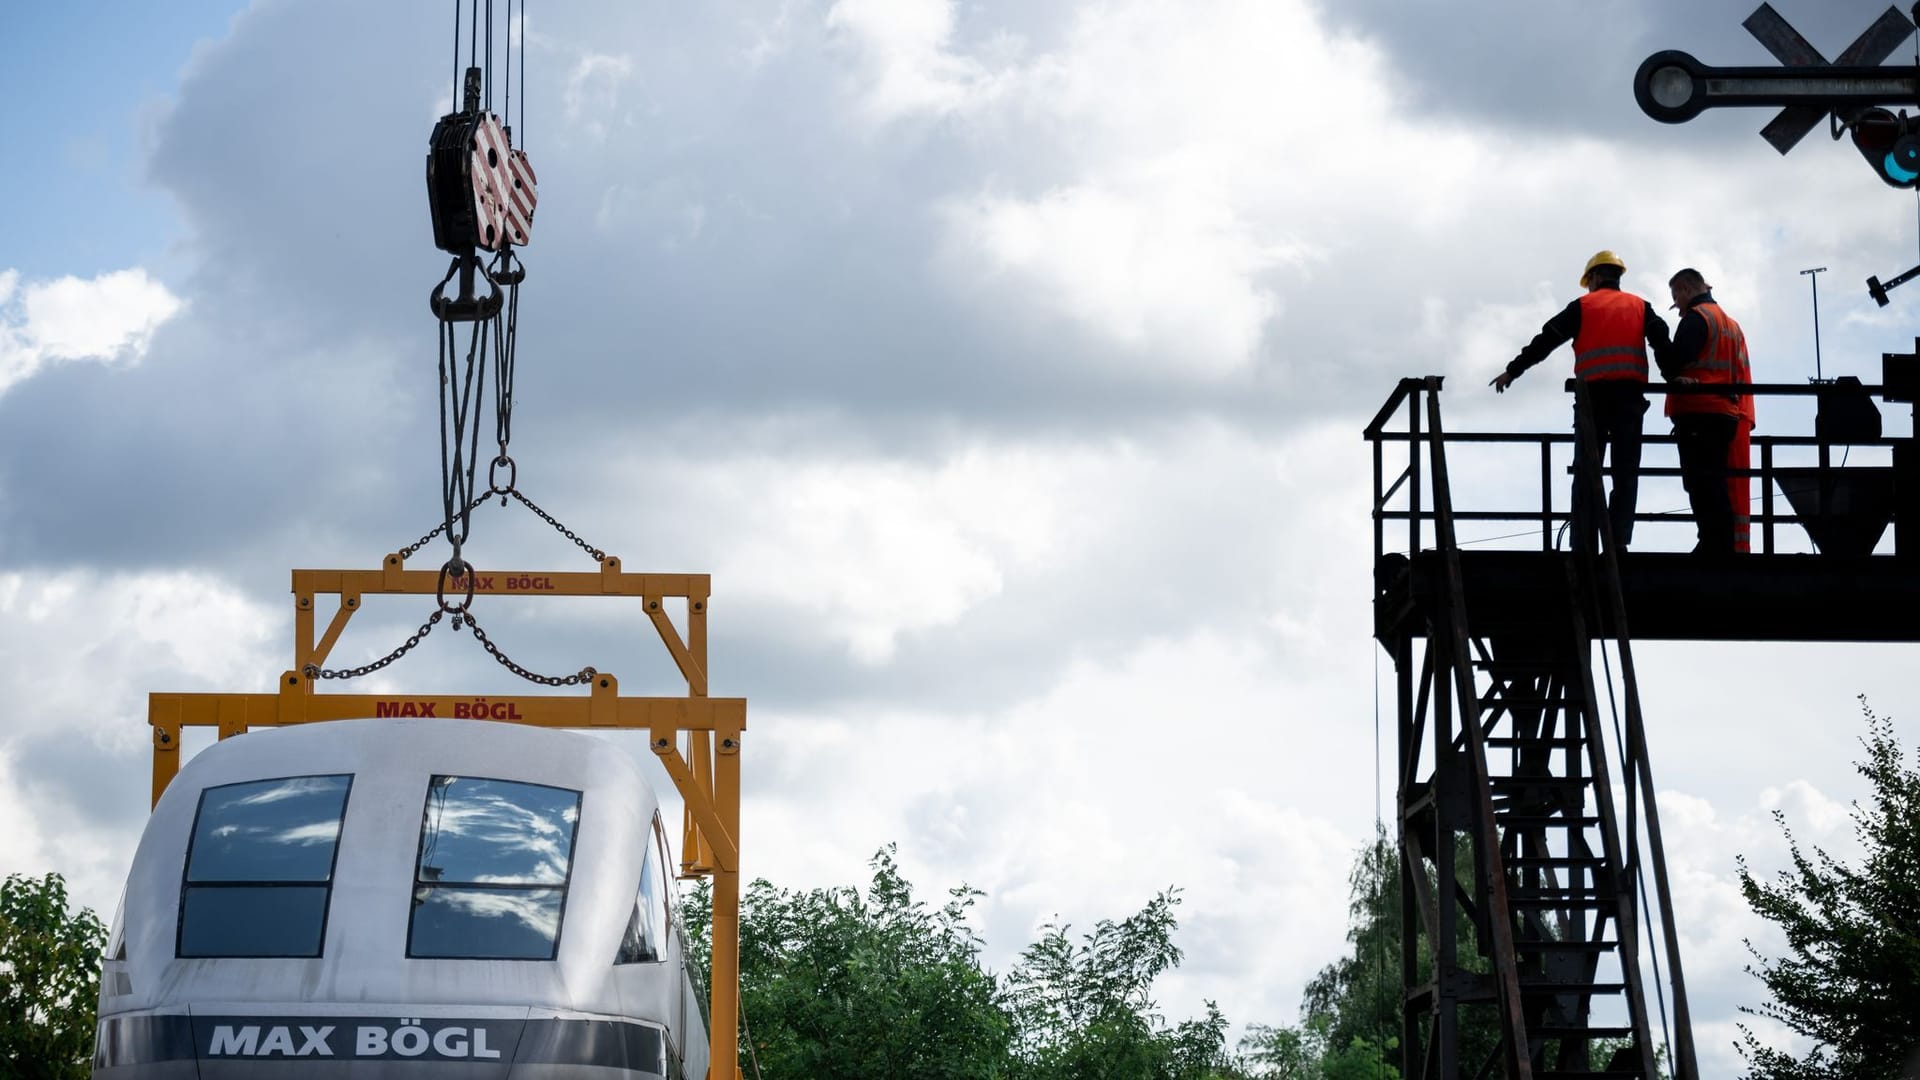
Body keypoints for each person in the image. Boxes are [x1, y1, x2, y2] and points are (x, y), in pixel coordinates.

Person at [1491, 250, 1672, 552]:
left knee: (1588, 473)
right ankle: (1617, 542)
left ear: (1596, 278)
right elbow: (1662, 342)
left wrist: (1513, 371)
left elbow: (1545, 341)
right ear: (1616, 277)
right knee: (1626, 474)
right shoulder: (1641, 307)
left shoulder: (1583, 307)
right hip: (1630, 400)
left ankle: (1583, 543)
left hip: (1593, 402)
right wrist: (1674, 377)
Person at [1660, 268, 1752, 556]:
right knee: (1715, 481)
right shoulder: (1731, 325)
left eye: (1677, 298)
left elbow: (1674, 364)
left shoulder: (1697, 319)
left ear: (1686, 290)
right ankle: (1718, 542)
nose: (1678, 307)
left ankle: (1714, 544)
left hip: (1698, 412)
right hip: (1725, 413)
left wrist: (1658, 338)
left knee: (1701, 483)